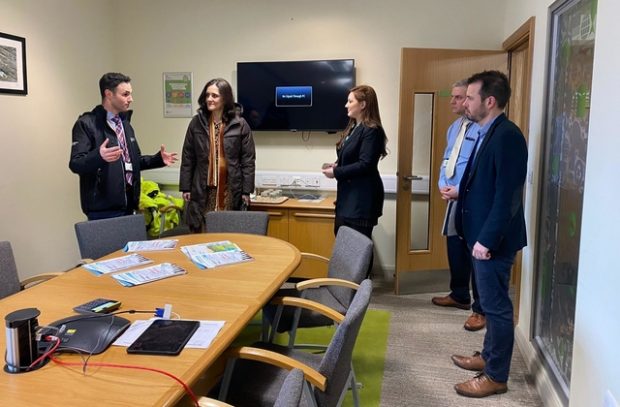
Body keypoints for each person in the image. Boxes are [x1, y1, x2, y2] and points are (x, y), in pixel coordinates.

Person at [451, 70, 527, 398]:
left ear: (489, 101)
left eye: (470, 97)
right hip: (482, 236)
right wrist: (461, 192)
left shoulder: (507, 135)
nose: (465, 103)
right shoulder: (488, 130)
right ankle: (488, 357)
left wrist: (486, 240)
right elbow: (487, 183)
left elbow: (508, 195)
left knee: (496, 308)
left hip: (492, 242)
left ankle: (495, 375)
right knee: (490, 304)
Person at [69, 72, 178, 220]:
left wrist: (158, 159)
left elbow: (133, 161)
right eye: (125, 94)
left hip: (129, 205)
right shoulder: (86, 124)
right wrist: (99, 156)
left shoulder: (125, 124)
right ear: (109, 94)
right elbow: (76, 163)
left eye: (130, 94)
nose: (130, 99)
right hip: (102, 210)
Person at [431, 80, 486, 332]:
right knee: (454, 245)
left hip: (472, 198)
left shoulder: (484, 129)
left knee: (475, 253)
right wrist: (443, 184)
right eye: (452, 96)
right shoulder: (455, 127)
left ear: (469, 99)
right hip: (452, 197)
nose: (452, 101)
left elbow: (477, 167)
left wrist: (460, 189)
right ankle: (459, 294)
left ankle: (480, 309)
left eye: (458, 97)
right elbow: (447, 158)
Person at [179, 78, 256, 233]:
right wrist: (185, 187)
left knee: (226, 230)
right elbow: (188, 157)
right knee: (203, 229)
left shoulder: (240, 124)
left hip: (230, 187)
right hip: (202, 188)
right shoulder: (196, 123)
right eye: (207, 95)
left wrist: (246, 191)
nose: (209, 99)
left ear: (225, 98)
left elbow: (248, 160)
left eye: (214, 96)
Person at [322, 85, 387, 242]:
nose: (346, 105)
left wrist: (336, 172)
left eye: (350, 101)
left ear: (363, 105)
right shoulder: (353, 128)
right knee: (343, 245)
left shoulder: (372, 130)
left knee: (357, 251)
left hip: (361, 201)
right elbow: (351, 157)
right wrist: (336, 164)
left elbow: (366, 164)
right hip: (348, 199)